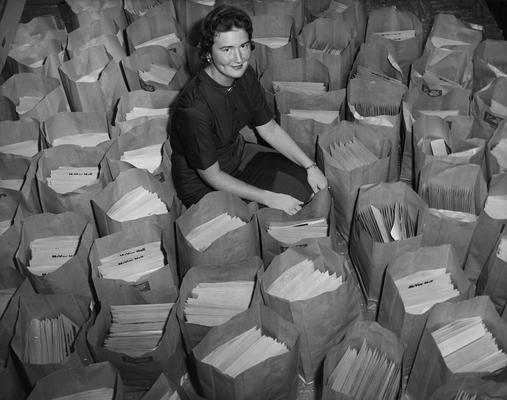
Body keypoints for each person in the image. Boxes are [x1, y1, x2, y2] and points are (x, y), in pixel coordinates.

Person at [170, 5, 328, 215]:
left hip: (239, 156)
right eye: (227, 50)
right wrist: (269, 197)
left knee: (309, 186)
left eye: (243, 46)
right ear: (208, 53)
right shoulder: (193, 108)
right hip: (205, 183)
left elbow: (269, 129)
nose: (239, 58)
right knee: (281, 214)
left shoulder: (245, 75)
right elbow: (212, 176)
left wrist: (311, 166)